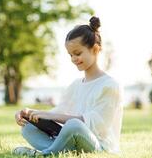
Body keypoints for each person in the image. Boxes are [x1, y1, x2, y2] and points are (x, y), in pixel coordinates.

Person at [13, 16, 123, 156]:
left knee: (74, 125)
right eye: (70, 55)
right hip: (74, 141)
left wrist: (46, 114)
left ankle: (45, 154)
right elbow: (60, 112)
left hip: (100, 147)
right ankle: (59, 150)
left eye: (77, 53)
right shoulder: (75, 85)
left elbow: (96, 125)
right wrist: (30, 113)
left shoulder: (110, 85)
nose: (73, 59)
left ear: (95, 49)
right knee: (28, 128)